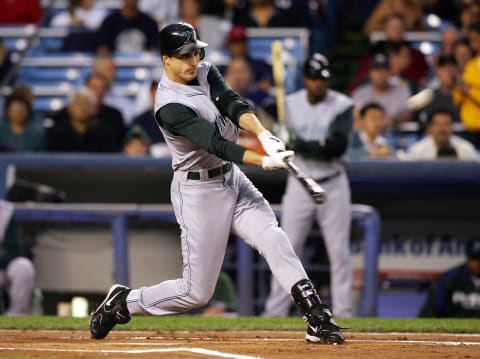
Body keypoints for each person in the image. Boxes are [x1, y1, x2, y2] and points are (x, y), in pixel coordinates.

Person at [89, 22, 345, 345]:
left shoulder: (206, 71)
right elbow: (215, 143)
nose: (192, 61)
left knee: (273, 238)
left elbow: (233, 104)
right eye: (183, 55)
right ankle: (124, 303)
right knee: (196, 292)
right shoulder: (168, 106)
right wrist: (263, 159)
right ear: (165, 59)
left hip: (230, 178)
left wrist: (264, 136)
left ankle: (315, 315)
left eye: (195, 52)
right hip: (198, 192)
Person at [263, 53, 354, 318]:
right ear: (305, 79)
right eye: (313, 79)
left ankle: (345, 312)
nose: (318, 84)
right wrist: (277, 135)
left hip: (333, 183)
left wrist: (297, 143)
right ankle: (274, 312)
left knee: (339, 252)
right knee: (287, 247)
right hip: (299, 183)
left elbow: (336, 146)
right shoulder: (288, 104)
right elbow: (260, 114)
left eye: (322, 79)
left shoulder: (342, 104)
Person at [418, 239, 480, 318]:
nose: (478, 263)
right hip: (455, 328)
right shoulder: (448, 280)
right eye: (475, 259)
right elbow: (429, 314)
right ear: (468, 259)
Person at [352, 52, 411, 130]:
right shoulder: (360, 93)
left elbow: (409, 115)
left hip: (395, 134)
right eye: (377, 70)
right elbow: (357, 118)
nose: (380, 74)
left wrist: (393, 120)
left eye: (384, 70)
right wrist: (377, 123)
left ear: (390, 72)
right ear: (370, 73)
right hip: (369, 135)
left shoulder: (401, 91)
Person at [46, 87, 117, 153]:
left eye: (86, 104)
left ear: (93, 109)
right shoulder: (56, 133)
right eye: (78, 103)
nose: (82, 108)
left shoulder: (105, 133)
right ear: (69, 108)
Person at [397, 108, 478, 160]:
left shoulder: (465, 148)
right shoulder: (418, 151)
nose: (442, 128)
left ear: (452, 128)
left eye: (446, 124)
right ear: (430, 128)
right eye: (438, 124)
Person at [0, 200, 35, 316]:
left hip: (2, 265)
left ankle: (16, 313)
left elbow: (15, 249)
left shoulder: (5, 210)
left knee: (23, 266)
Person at [453, 21, 480, 148]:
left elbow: (469, 91)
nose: (472, 43)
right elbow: (457, 99)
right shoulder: (470, 65)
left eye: (475, 38)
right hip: (468, 129)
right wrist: (461, 90)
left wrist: (470, 91)